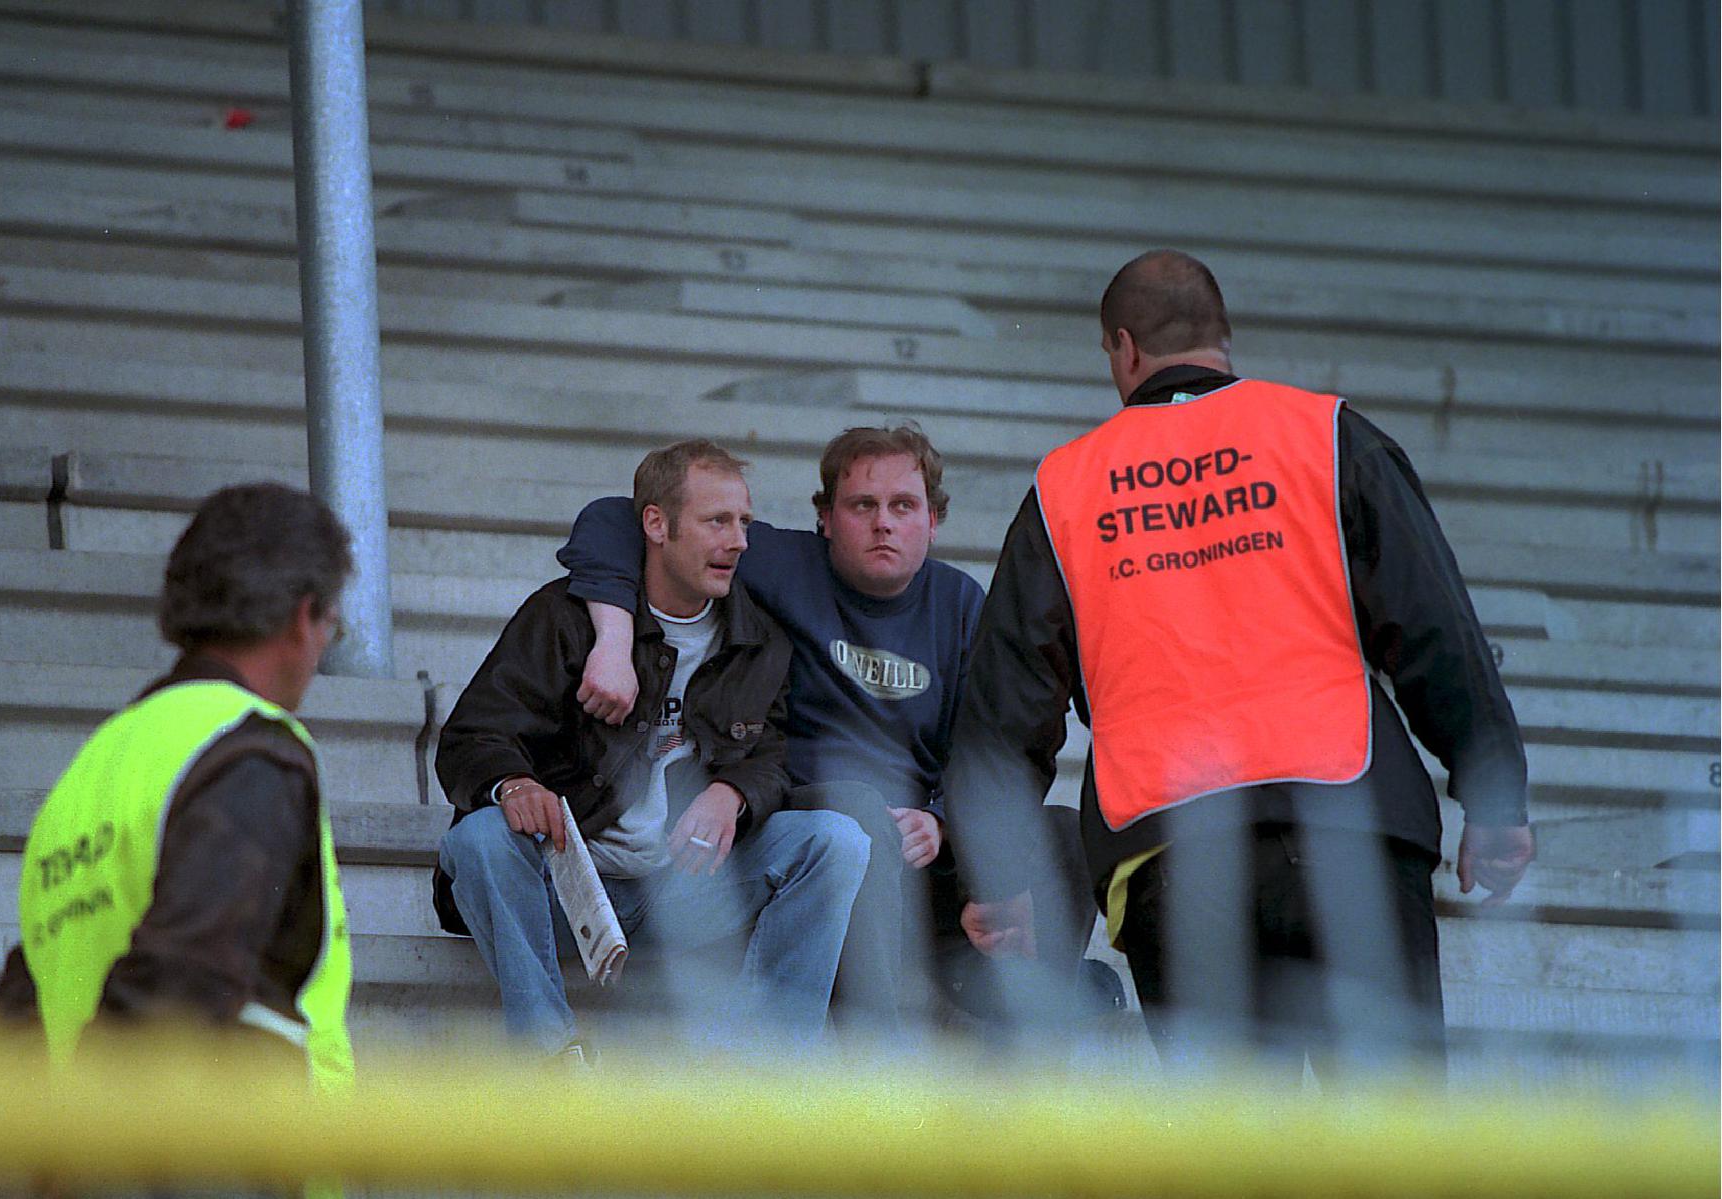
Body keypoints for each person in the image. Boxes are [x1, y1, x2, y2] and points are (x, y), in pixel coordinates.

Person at [945, 249, 1535, 1078]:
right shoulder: (1329, 435)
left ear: (1123, 348)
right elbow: (1435, 622)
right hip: (1353, 823)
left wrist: (996, 873)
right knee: (1392, 1142)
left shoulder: (1065, 487)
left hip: (1172, 854)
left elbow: (1007, 699)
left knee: (1232, 1153)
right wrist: (1495, 792)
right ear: (1224, 336)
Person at [558, 425, 1095, 1038]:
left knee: (1064, 832)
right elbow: (613, 522)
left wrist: (944, 821)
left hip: (920, 855)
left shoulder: (962, 603)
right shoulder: (780, 565)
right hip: (820, 826)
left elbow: (988, 742)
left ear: (933, 521)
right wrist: (614, 640)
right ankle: (876, 1047)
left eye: (903, 506)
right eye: (862, 505)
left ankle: (1023, 1014)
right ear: (825, 518)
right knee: (854, 809)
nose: (883, 523)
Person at [0, 482, 357, 1195]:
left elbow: (21, 1005)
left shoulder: (93, 766)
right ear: (304, 617)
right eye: (333, 619)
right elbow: (182, 977)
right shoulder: (251, 753)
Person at [432, 439, 869, 1057]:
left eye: (743, 521)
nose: (740, 541)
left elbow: (772, 755)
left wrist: (734, 792)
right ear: (656, 525)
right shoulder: (566, 618)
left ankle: (767, 1072)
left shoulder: (759, 639)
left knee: (836, 840)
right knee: (477, 840)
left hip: (685, 889)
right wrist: (514, 784)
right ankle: (548, 1061)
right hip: (566, 886)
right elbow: (473, 736)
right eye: (717, 521)